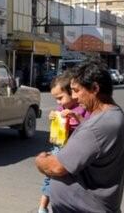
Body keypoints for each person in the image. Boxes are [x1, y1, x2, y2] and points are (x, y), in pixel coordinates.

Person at [35, 59, 124, 213]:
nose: (74, 96)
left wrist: (41, 159)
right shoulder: (110, 117)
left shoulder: (99, 126)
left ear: (94, 88)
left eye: (77, 90)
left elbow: (56, 167)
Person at [37, 71, 90, 213]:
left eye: (60, 98)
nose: (58, 103)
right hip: (59, 147)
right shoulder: (61, 108)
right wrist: (53, 118)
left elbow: (90, 129)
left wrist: (77, 117)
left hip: (74, 150)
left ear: (72, 93)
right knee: (50, 176)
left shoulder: (83, 109)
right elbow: (57, 129)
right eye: (56, 99)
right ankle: (42, 207)